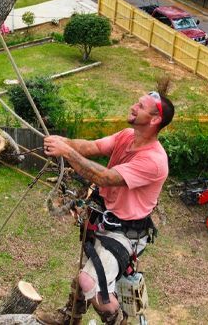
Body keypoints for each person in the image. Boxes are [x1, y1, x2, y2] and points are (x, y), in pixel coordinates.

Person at [36, 91, 175, 325]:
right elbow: (92, 147)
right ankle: (70, 316)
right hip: (105, 219)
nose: (133, 106)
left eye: (140, 106)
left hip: (125, 233)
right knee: (89, 268)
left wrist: (67, 152)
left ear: (154, 120)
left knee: (90, 280)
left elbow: (105, 177)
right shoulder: (127, 136)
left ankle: (118, 320)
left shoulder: (154, 161)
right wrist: (63, 142)